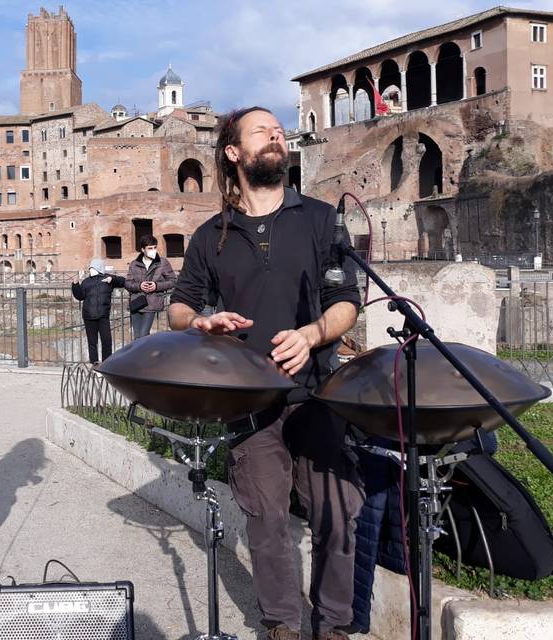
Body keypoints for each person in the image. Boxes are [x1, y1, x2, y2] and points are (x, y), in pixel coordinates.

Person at [168, 107, 363, 640]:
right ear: (233, 152)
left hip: (320, 392)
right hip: (250, 402)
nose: (277, 135)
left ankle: (335, 626)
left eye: (279, 130)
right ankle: (282, 624)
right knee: (266, 521)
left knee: (337, 514)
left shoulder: (321, 219)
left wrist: (311, 335)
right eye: (263, 131)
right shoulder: (212, 236)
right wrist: (203, 321)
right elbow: (178, 308)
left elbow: (347, 299)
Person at [71, 258, 125, 365]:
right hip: (88, 315)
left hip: (103, 315)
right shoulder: (86, 282)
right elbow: (80, 296)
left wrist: (112, 280)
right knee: (92, 342)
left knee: (106, 340)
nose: (91, 270)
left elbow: (123, 281)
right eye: (90, 268)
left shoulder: (107, 279)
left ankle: (107, 363)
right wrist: (75, 285)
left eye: (93, 268)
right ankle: (94, 364)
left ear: (99, 268)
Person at [125, 234, 177, 339]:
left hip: (152, 302)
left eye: (154, 247)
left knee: (143, 334)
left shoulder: (163, 263)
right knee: (137, 337)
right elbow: (128, 283)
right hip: (137, 302)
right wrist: (140, 286)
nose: (153, 250)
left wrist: (156, 286)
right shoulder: (134, 264)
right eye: (150, 248)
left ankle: (145, 353)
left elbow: (173, 281)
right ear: (143, 249)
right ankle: (142, 354)